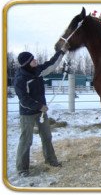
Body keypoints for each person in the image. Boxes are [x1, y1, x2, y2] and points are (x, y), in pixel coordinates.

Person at [14, 44, 69, 177]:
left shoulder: (37, 70)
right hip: (27, 113)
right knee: (26, 140)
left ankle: (50, 160)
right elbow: (24, 100)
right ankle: (22, 168)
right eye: (33, 60)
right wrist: (39, 106)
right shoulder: (21, 79)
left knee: (47, 136)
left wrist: (61, 52)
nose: (36, 61)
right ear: (27, 63)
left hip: (41, 112)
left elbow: (51, 64)